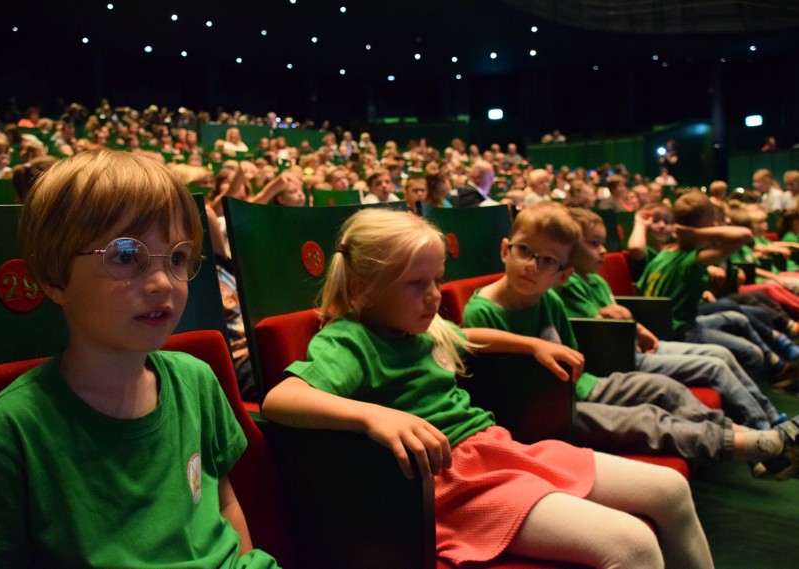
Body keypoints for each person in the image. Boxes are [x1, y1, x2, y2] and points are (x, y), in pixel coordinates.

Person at [262, 207, 715, 568]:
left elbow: (467, 336)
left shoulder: (419, 326)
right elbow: (282, 399)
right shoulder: (349, 339)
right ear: (363, 289)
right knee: (632, 546)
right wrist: (375, 415)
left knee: (669, 489)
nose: (435, 295)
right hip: (452, 484)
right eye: (417, 284)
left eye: (438, 280)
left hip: (496, 449)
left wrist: (531, 344)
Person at [0, 149, 279, 568]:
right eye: (126, 256)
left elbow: (223, 500)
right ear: (54, 277)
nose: (163, 282)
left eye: (177, 257)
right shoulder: (11, 432)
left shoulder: (197, 379)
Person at [462, 202, 798, 476]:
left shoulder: (548, 300)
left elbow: (573, 357)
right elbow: (476, 351)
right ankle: (764, 445)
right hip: (543, 412)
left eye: (548, 261)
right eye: (524, 251)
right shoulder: (484, 310)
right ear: (505, 250)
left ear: (563, 275)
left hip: (579, 387)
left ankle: (754, 440)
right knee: (646, 420)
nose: (533, 266)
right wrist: (536, 346)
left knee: (664, 389)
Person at [558, 207, 783, 430]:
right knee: (716, 365)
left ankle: (771, 417)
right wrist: (624, 321)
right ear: (570, 248)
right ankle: (763, 430)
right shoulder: (569, 283)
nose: (604, 251)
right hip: (622, 357)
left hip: (640, 345)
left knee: (724, 346)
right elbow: (605, 325)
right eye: (594, 244)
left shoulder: (598, 281)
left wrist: (637, 328)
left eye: (603, 243)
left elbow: (619, 317)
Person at [637, 190, 799, 390]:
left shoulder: (664, 255)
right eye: (711, 223)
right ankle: (754, 408)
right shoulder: (690, 259)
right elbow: (743, 235)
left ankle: (780, 360)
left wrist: (689, 232)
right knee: (751, 353)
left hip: (680, 323)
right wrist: (694, 233)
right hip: (682, 331)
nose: (715, 227)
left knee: (737, 317)